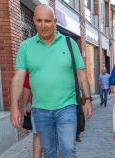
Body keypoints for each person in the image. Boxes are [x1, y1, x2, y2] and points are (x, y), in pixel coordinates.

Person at [10, 5, 93, 158]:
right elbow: (18, 78)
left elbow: (81, 74)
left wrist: (88, 99)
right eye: (39, 20)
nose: (43, 25)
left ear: (55, 21)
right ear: (34, 20)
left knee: (68, 149)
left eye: (47, 21)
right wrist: (14, 106)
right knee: (49, 151)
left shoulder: (69, 43)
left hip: (66, 107)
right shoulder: (25, 46)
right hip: (40, 110)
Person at [23, 72, 42, 158]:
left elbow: (27, 87)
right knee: (37, 135)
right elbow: (27, 86)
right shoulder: (31, 62)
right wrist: (25, 104)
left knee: (37, 136)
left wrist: (25, 104)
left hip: (39, 106)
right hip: (38, 107)